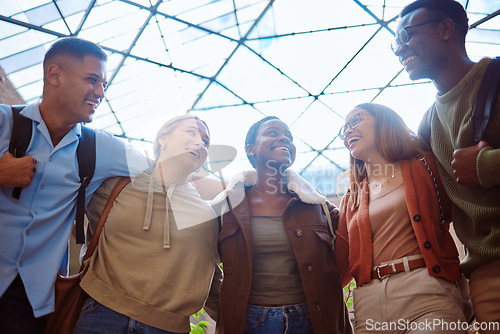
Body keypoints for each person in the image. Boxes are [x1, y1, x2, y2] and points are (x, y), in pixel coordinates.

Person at [0, 37, 148, 333]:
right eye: (92, 81)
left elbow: (163, 172)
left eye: (104, 84)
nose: (100, 92)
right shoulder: (5, 121)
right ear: (54, 75)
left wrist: (244, 186)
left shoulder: (100, 148)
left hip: (31, 303)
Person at [392, 0, 500, 327]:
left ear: (446, 29)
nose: (399, 49)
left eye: (407, 34)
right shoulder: (429, 123)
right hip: (486, 272)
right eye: (395, 42)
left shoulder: (496, 79)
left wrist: (486, 166)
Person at [73, 115, 221, 334]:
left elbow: (213, 277)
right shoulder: (114, 187)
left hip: (167, 328)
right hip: (99, 315)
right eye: (191, 132)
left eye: (206, 141)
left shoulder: (207, 216)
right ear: (164, 138)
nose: (200, 142)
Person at [211, 116, 352, 334]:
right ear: (251, 149)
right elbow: (202, 268)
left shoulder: (318, 207)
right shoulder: (225, 208)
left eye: (289, 136)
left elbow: (353, 246)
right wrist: (228, 311)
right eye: (273, 133)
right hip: (248, 323)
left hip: (312, 322)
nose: (284, 138)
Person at [335, 103, 466, 333]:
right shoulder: (351, 197)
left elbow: (468, 208)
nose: (347, 131)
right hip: (369, 304)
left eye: (356, 120)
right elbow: (337, 267)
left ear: (384, 122)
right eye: (344, 128)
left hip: (426, 292)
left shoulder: (427, 166)